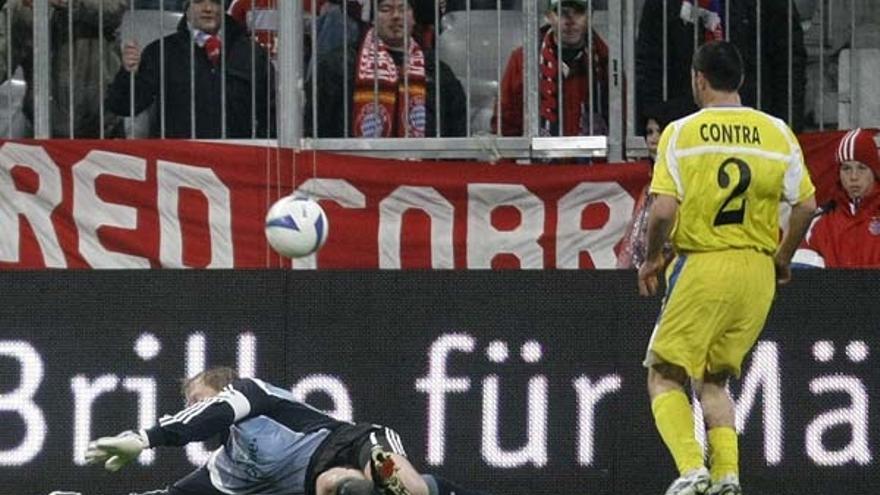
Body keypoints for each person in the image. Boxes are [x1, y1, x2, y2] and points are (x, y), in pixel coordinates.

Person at [637, 41, 816, 495]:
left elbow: (661, 212)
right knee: (713, 379)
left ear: (699, 79)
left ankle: (692, 468)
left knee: (664, 373)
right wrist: (783, 257)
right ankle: (727, 477)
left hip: (704, 264)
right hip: (757, 272)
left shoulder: (682, 132)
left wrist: (653, 256)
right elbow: (807, 206)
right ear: (740, 81)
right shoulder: (777, 132)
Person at [86, 367, 491, 495]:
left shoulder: (251, 393)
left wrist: (145, 437)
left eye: (198, 397)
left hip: (351, 441)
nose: (192, 408)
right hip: (321, 477)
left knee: (409, 490)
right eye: (188, 403)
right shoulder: (227, 469)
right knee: (334, 486)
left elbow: (209, 416)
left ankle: (396, 482)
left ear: (223, 388)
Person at [106, 0, 274, 138]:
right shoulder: (162, 52)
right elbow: (122, 106)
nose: (208, 8)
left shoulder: (252, 54)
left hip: (236, 164)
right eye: (199, 1)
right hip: (178, 165)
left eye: (215, 2)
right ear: (186, 7)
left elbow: (271, 112)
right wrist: (128, 74)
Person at [636, 0, 807, 133]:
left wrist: (787, 126)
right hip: (685, 124)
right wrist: (656, 120)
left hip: (753, 126)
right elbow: (649, 61)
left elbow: (789, 61)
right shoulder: (664, 5)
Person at [304, 0, 466, 138]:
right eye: (386, 9)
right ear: (373, 19)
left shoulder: (437, 72)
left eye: (403, 9)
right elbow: (316, 128)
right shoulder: (338, 66)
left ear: (413, 18)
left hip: (423, 171)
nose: (396, 16)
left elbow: (457, 131)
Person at [0, 0, 127, 138]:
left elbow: (114, 9)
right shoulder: (21, 7)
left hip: (104, 125)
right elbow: (4, 58)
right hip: (42, 126)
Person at [492, 0, 608, 137]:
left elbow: (622, 120)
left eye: (578, 12)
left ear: (590, 15)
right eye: (562, 12)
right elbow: (505, 125)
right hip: (537, 157)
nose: (570, 21)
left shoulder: (607, 61)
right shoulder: (522, 60)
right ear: (548, 16)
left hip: (596, 157)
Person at [793, 128, 880, 268]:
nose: (853, 177)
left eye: (862, 168)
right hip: (834, 290)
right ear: (838, 173)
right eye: (846, 169)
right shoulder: (820, 221)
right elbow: (805, 279)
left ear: (874, 171)